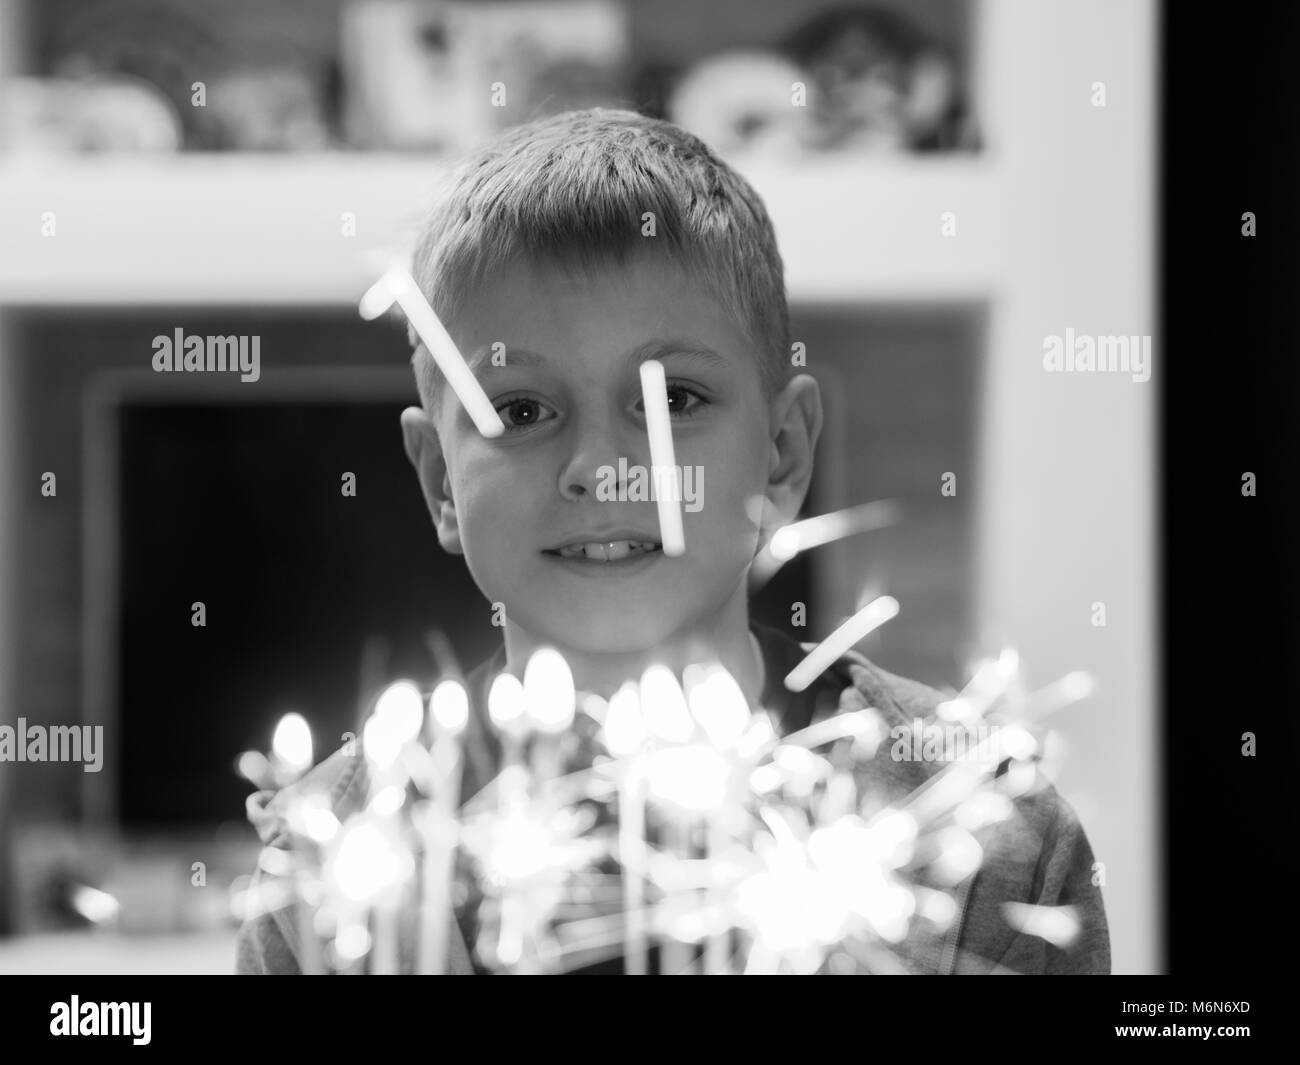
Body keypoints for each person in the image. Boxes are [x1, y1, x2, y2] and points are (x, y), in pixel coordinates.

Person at [236, 107, 1109, 975]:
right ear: (439, 481)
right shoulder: (333, 873)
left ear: (783, 453)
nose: (603, 468)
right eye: (519, 411)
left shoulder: (989, 827)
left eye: (675, 401)